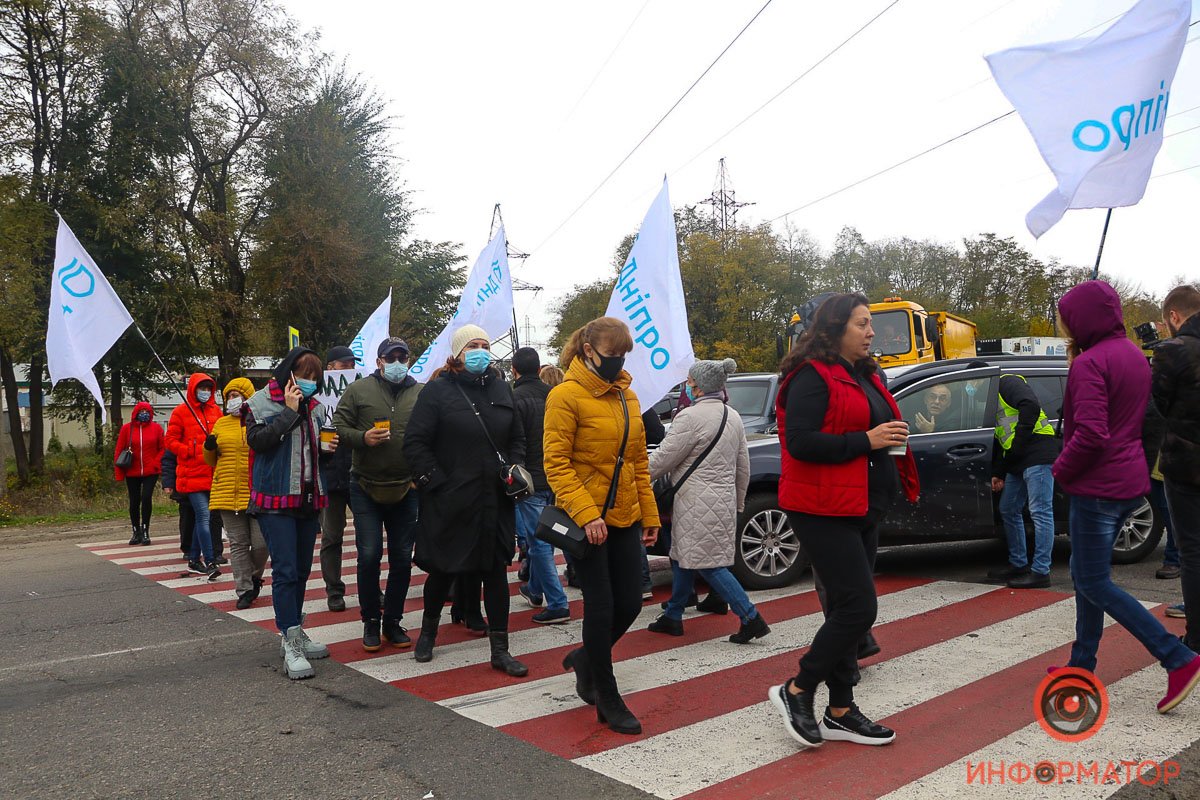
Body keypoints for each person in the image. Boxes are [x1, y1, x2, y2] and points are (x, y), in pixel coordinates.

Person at [768, 293, 919, 749]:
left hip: (861, 505)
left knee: (843, 610)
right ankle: (798, 688)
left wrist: (888, 442)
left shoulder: (865, 374)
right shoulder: (810, 376)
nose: (872, 332)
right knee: (858, 608)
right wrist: (867, 440)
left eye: (870, 324)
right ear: (834, 328)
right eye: (862, 324)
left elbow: (874, 434)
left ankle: (840, 711)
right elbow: (800, 443)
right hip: (821, 507)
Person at [1052, 280, 1198, 713]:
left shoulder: (1090, 363)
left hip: (1096, 484)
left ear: (1081, 320)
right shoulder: (1134, 354)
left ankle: (1177, 658)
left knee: (1092, 580)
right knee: (1086, 573)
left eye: (1066, 319)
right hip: (1126, 479)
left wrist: (1060, 470)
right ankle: (1081, 666)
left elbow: (1091, 434)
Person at [543, 316, 660, 735]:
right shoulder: (564, 395)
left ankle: (585, 658)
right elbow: (556, 464)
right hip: (586, 521)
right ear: (588, 351)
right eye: (613, 354)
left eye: (624, 355)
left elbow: (638, 462)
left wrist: (650, 515)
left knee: (631, 603)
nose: (619, 361)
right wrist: (587, 513)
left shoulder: (628, 395)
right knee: (601, 605)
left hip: (625, 515)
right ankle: (607, 696)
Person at [403, 324, 528, 677]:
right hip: (451, 500)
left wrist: (514, 467)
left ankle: (500, 650)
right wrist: (436, 483)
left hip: (495, 500)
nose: (481, 351)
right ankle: (428, 633)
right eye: (473, 345)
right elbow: (415, 443)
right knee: (443, 570)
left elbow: (517, 437)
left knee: (496, 572)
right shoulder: (437, 391)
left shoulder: (501, 387)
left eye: (485, 345)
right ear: (458, 352)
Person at [648, 358, 767, 643]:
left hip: (694, 502)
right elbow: (743, 467)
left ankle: (751, 617)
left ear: (699, 386)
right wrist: (738, 504)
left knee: (708, 564)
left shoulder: (689, 417)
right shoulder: (733, 416)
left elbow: (662, 460)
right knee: (682, 556)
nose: (687, 386)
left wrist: (630, 472)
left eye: (689, 381)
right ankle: (673, 615)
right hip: (722, 499)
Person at [245, 347, 331, 681]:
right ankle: (290, 640)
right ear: (288, 373)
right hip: (274, 500)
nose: (309, 383)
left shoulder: (316, 407)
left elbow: (315, 453)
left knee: (302, 570)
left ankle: (294, 630)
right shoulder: (259, 403)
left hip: (308, 499)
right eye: (304, 376)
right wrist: (289, 412)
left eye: (314, 378)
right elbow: (258, 442)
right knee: (285, 570)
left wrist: (329, 449)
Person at [334, 336, 423, 652]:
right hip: (365, 486)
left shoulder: (420, 392)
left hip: (406, 487)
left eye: (403, 357)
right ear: (379, 361)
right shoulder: (359, 390)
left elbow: (431, 433)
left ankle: (392, 622)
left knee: (402, 559)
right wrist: (363, 437)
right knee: (370, 555)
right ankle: (370, 620)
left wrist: (420, 476)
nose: (397, 363)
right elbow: (337, 426)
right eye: (391, 357)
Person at [1153, 284, 1200, 652]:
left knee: (1193, 551)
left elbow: (1159, 404)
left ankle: (1196, 638)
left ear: (1174, 316)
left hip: (1188, 464)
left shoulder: (1174, 350)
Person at [509, 347, 570, 624]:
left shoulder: (514, 399)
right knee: (547, 536)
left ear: (514, 370)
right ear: (538, 369)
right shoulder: (555, 395)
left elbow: (514, 440)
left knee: (540, 542)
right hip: (556, 476)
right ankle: (534, 589)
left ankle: (558, 603)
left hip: (529, 479)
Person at [986, 374, 1060, 589]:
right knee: (1008, 508)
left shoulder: (1006, 382)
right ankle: (1018, 564)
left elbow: (1030, 406)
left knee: (1040, 512)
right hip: (1018, 459)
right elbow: (1002, 440)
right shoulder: (990, 401)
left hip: (1038, 452)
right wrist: (999, 472)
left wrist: (1018, 445)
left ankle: (1041, 572)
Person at [204, 378, 266, 610]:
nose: (232, 399)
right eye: (229, 396)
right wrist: (208, 447)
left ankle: (254, 577)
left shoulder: (259, 420)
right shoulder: (221, 424)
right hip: (227, 492)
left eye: (237, 395)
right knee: (238, 544)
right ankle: (244, 589)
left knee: (261, 543)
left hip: (256, 492)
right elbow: (211, 460)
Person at [165, 373, 223, 579]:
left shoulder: (216, 411)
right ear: (193, 389)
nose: (205, 392)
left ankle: (193, 559)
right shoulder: (181, 412)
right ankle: (210, 560)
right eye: (202, 388)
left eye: (209, 389)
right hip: (191, 474)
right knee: (204, 516)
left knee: (203, 518)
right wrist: (188, 450)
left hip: (212, 474)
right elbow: (170, 441)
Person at [319, 346, 357, 613]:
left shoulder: (360, 393)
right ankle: (334, 590)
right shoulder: (318, 396)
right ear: (330, 368)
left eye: (352, 365)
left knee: (368, 537)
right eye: (344, 365)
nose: (348, 369)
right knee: (332, 537)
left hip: (357, 475)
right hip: (331, 477)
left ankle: (372, 588)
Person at [113, 401, 164, 546]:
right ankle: (136, 531)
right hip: (132, 471)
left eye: (147, 411)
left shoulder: (156, 428)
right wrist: (119, 473)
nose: (144, 414)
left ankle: (145, 529)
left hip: (150, 471)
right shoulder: (126, 429)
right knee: (134, 501)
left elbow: (163, 448)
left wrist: (156, 463)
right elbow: (119, 450)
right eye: (141, 411)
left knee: (146, 498)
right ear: (136, 413)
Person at [1143, 397, 1181, 582]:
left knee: (1171, 511)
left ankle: (1174, 558)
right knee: (1166, 509)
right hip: (1157, 457)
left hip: (1172, 459)